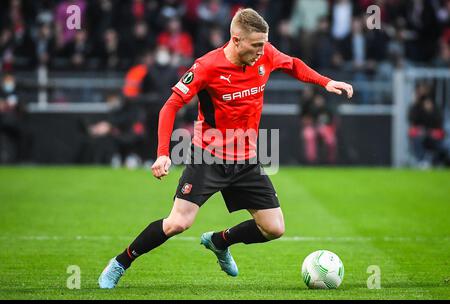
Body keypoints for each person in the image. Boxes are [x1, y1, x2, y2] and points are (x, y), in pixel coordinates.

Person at [98, 8, 353, 288]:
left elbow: (292, 64)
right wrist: (162, 153)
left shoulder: (265, 53)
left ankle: (219, 241)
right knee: (178, 223)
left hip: (246, 159)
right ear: (235, 40)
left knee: (274, 228)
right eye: (256, 45)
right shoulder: (207, 66)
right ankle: (121, 262)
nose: (262, 51)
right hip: (208, 156)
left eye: (264, 44)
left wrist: (326, 82)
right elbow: (170, 105)